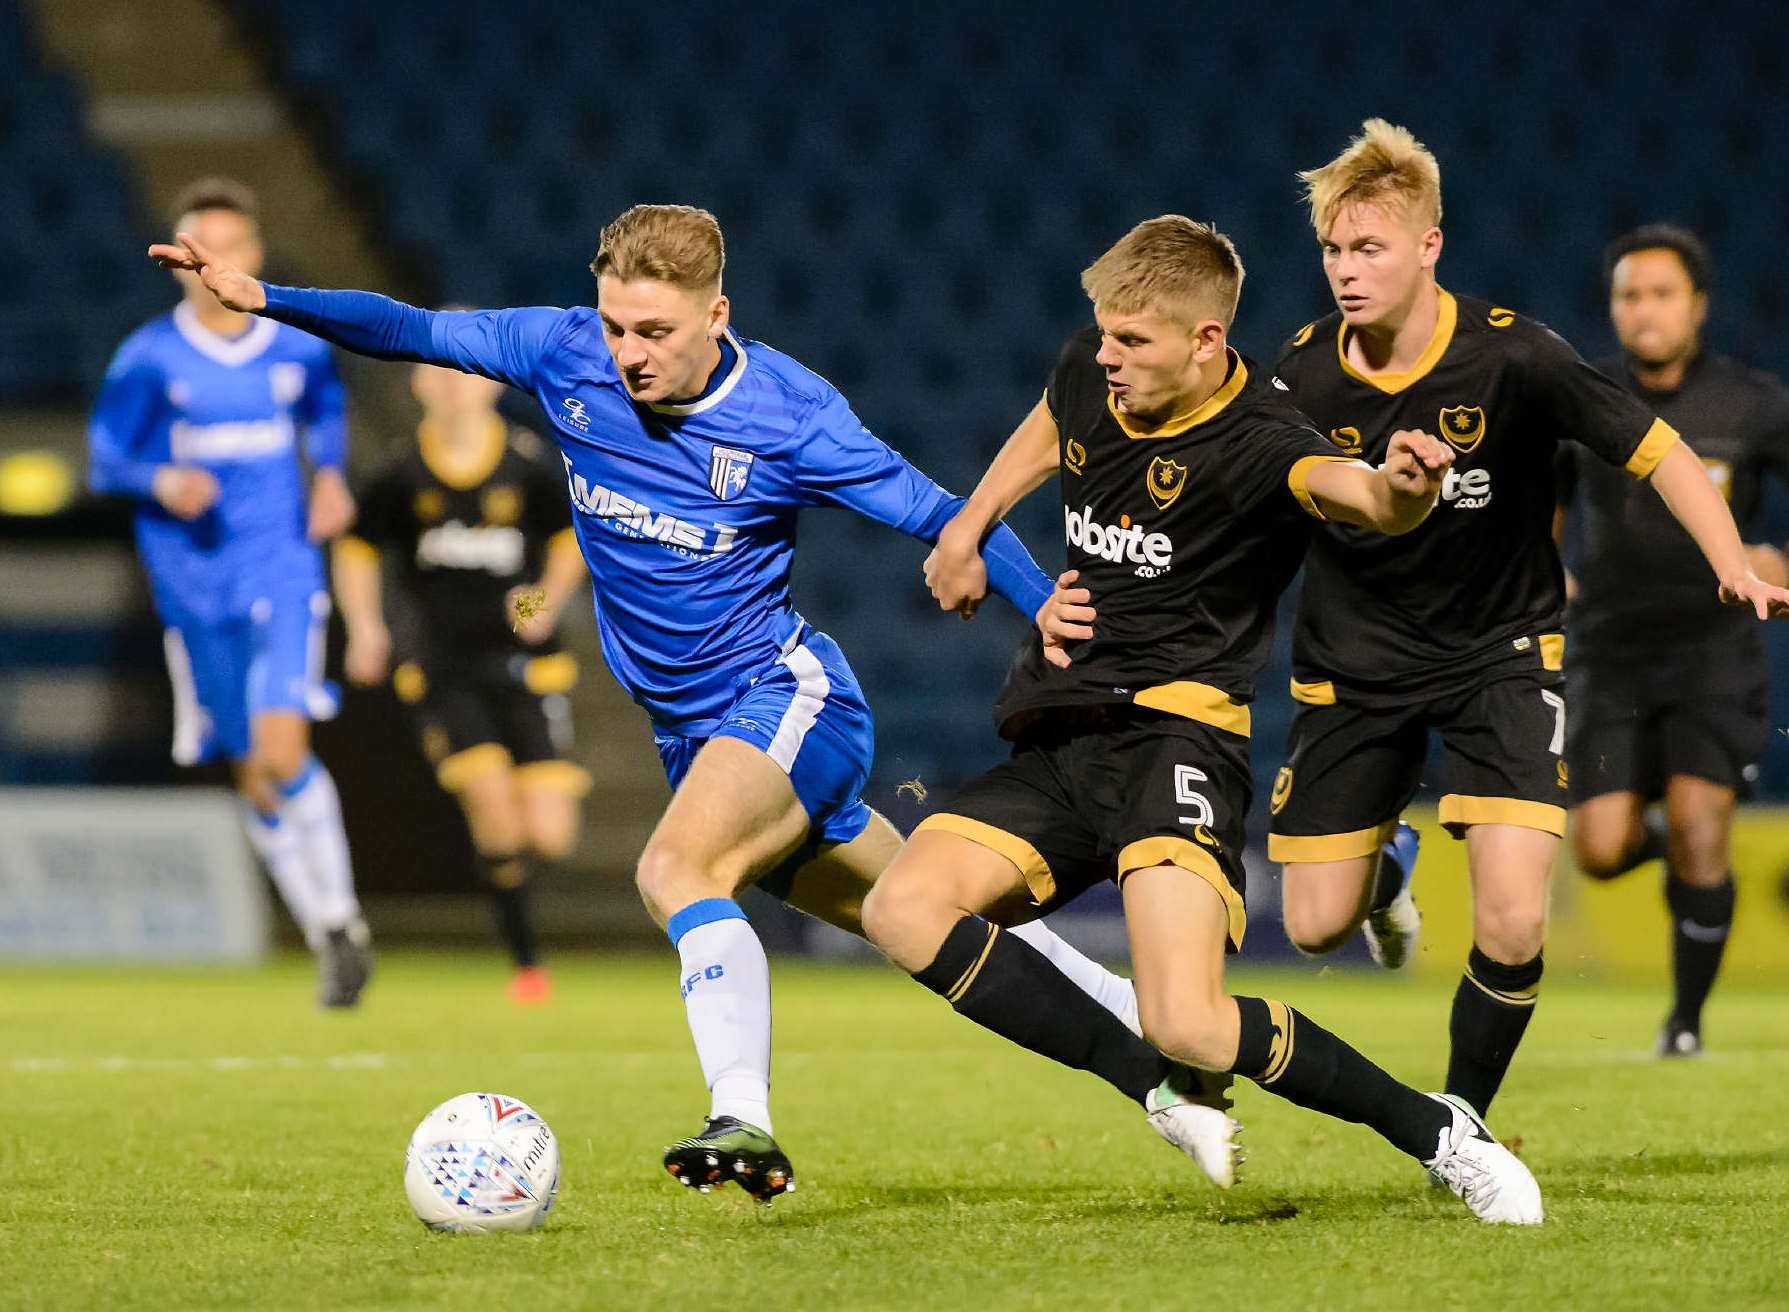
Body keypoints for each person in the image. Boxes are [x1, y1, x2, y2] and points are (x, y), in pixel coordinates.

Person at [150, 203, 1237, 1203]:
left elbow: (943, 513)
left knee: (674, 870)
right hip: (694, 734)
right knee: (929, 923)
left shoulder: (789, 415)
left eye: (656, 331)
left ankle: (743, 1121)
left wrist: (1042, 605)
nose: (629, 354)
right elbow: (410, 326)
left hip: (786, 696)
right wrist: (268, 299)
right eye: (619, 325)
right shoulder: (561, 350)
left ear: (716, 315)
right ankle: (1165, 1073)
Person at [877, 214, 1546, 1224]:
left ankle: (1437, 1132)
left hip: (1178, 743)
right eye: (1102, 334)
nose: (1106, 357)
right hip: (1065, 735)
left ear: (1205, 342)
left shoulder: (1261, 439)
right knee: (902, 904)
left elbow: (1357, 494)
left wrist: (1406, 489)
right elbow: (1049, 419)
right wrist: (971, 523)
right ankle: (1147, 1085)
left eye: (1132, 343)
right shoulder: (1090, 368)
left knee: (1190, 1021)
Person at [1265, 121, 1789, 1122]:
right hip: (1354, 662)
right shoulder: (1298, 375)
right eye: (1331, 248)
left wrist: (1731, 560)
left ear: (1429, 246)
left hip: (1497, 656)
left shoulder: (1515, 356)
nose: (1343, 269)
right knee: (1317, 925)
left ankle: (1461, 1124)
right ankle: (1383, 874)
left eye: (1367, 247)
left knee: (1510, 919)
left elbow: (1664, 453)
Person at [91, 177, 371, 1007]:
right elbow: (106, 458)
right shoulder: (148, 359)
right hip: (192, 585)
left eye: (231, 242)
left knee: (282, 751)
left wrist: (329, 478)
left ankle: (343, 921)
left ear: (250, 255)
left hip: (280, 569)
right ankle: (330, 929)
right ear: (176, 262)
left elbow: (326, 416)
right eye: (195, 245)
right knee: (252, 773)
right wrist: (160, 477)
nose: (212, 257)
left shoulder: (296, 345)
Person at [1558, 224, 1789, 1056]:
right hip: (1606, 655)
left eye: (1660, 293)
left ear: (1697, 305)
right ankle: (1680, 860)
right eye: (1627, 294)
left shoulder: (1753, 403)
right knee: (1597, 848)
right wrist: (1551, 575)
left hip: (1712, 654)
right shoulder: (1585, 399)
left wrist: (1776, 557)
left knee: (1700, 820)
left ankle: (1683, 1024)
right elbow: (1538, 514)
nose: (1643, 309)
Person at [334, 357, 594, 1004]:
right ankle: (527, 965)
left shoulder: (530, 464)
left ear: (493, 383)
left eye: (466, 372)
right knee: (493, 811)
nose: (453, 385)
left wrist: (537, 607)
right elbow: (355, 548)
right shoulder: (398, 473)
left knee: (550, 834)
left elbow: (572, 542)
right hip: (439, 667)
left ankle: (518, 911)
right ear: (419, 385)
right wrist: (366, 627)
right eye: (438, 373)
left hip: (525, 666)